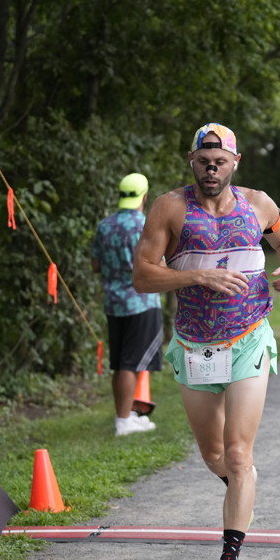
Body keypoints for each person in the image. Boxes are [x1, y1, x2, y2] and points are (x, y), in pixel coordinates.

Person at [132, 122, 280, 560]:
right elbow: (142, 276)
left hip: (249, 338)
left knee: (238, 454)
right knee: (213, 456)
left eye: (220, 161)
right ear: (192, 160)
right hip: (195, 346)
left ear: (235, 163)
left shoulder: (258, 204)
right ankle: (241, 493)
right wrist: (198, 277)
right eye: (204, 160)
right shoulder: (170, 208)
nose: (212, 168)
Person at [91, 173, 163, 436]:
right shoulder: (145, 225)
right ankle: (123, 421)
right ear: (144, 196)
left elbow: (95, 265)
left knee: (121, 362)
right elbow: (158, 264)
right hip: (142, 302)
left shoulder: (105, 225)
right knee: (130, 364)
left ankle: (127, 414)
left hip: (114, 303)